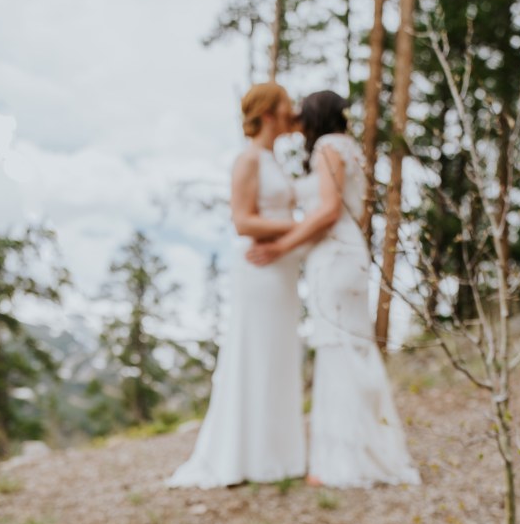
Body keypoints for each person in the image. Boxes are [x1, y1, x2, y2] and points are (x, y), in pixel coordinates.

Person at [247, 90, 420, 490]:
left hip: (336, 256)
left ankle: (346, 461)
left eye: (302, 114)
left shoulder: (328, 146)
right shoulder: (347, 147)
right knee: (350, 348)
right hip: (347, 252)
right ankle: (361, 452)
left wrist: (280, 247)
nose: (297, 120)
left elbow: (326, 212)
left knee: (338, 349)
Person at [168, 83, 306, 488]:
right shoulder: (247, 160)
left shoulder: (272, 160)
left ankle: (277, 454)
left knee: (280, 354)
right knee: (257, 353)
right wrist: (302, 227)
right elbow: (243, 221)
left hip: (281, 267)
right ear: (267, 114)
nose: (291, 112)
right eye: (285, 106)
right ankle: (246, 455)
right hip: (259, 267)